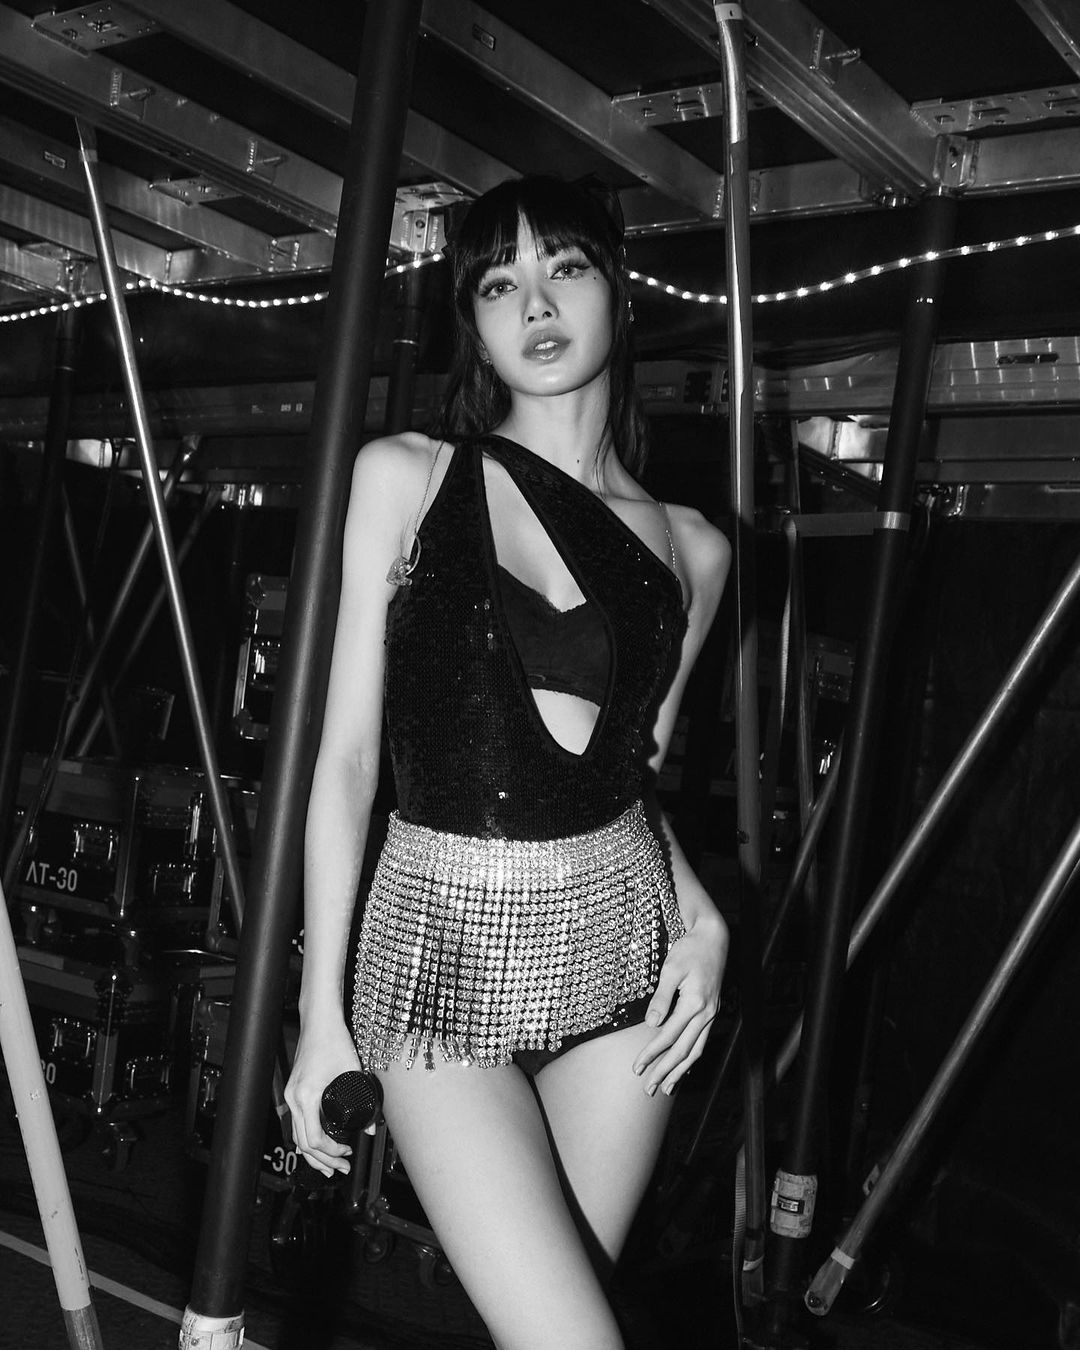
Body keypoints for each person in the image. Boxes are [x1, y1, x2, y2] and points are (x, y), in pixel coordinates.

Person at [284, 174, 731, 1350]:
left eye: (565, 267)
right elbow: (347, 761)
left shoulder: (694, 548)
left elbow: (631, 772)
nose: (534, 302)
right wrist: (319, 1016)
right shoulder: (410, 476)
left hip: (623, 962)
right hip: (433, 968)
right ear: (473, 326)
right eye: (498, 283)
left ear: (619, 293)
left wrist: (699, 915)